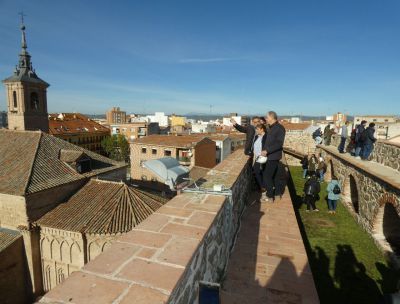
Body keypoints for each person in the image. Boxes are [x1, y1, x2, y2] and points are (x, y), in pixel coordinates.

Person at [261, 111, 286, 202]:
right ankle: (277, 193)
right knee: (274, 176)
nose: (266, 119)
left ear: (272, 117)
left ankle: (269, 196)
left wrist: (267, 151)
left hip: (273, 156)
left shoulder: (279, 128)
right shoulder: (271, 127)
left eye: (267, 117)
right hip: (269, 156)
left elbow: (279, 144)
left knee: (266, 176)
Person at [252, 124, 267, 190]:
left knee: (257, 170)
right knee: (259, 171)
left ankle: (262, 186)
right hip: (258, 156)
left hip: (262, 156)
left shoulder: (266, 136)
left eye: (257, 129)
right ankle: (262, 186)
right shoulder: (257, 136)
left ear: (262, 129)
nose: (256, 130)